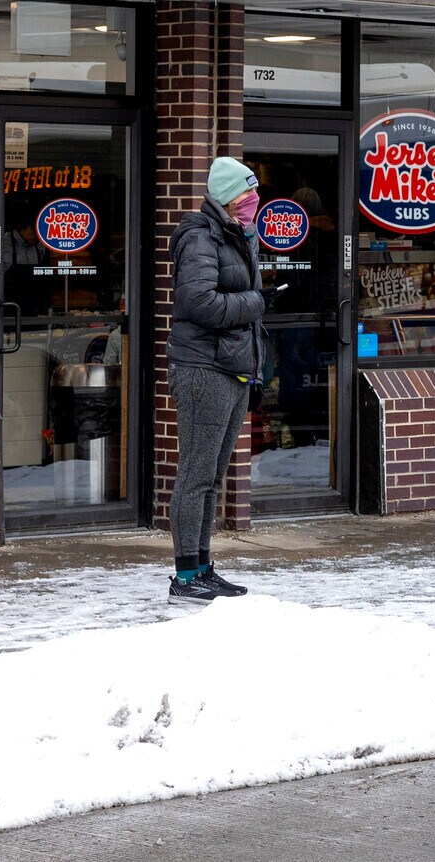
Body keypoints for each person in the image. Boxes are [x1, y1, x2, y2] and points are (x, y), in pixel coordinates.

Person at [165, 156, 273, 606]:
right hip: (203, 371)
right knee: (195, 474)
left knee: (212, 476)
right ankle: (185, 576)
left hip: (231, 370)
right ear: (228, 197)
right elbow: (198, 301)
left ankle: (204, 567)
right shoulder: (200, 237)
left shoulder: (236, 236)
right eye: (247, 195)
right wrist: (256, 302)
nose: (254, 202)